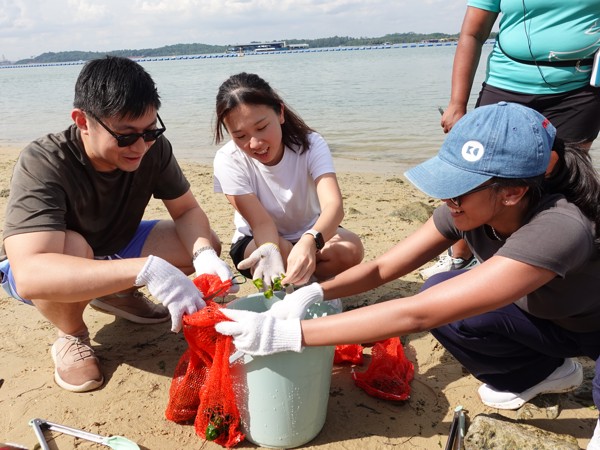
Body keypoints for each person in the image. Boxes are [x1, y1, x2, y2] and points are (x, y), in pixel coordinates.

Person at [215, 102, 600, 449]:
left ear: (512, 193)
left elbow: (418, 313)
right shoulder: (466, 209)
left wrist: (285, 335)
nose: (446, 200)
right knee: (441, 288)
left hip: (592, 329)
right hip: (544, 316)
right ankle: (545, 372)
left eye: (458, 190)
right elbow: (382, 269)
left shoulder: (560, 226)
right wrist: (311, 294)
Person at [0, 56, 236, 393]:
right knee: (75, 248)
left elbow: (186, 211)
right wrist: (148, 269)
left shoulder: (153, 149)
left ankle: (119, 296)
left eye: (151, 130)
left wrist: (203, 256)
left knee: (205, 241)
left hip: (113, 245)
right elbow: (31, 273)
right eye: (125, 136)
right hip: (44, 259)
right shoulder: (44, 161)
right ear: (83, 121)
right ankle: (71, 334)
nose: (140, 146)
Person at [424, 0, 600, 279]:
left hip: (577, 89)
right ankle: (461, 256)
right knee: (475, 178)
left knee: (560, 181)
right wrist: (457, 102)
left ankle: (542, 262)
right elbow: (473, 33)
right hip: (506, 83)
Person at [212, 72, 364, 288]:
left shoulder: (311, 144)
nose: (254, 143)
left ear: (280, 113)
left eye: (262, 127)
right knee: (280, 252)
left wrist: (310, 241)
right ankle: (303, 284)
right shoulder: (228, 160)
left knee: (351, 249)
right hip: (258, 240)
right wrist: (277, 250)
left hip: (310, 233)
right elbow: (261, 223)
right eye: (240, 136)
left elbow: (334, 206)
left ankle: (308, 284)